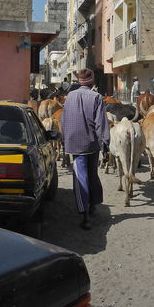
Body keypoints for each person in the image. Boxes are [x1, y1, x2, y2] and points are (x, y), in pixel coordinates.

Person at [62, 68, 110, 230]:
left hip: (75, 145)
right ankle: (93, 206)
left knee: (80, 178)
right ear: (92, 80)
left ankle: (85, 215)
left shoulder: (69, 97)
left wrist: (65, 142)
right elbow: (101, 124)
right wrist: (105, 146)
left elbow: (64, 120)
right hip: (92, 144)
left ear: (79, 81)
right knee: (92, 174)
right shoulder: (97, 97)